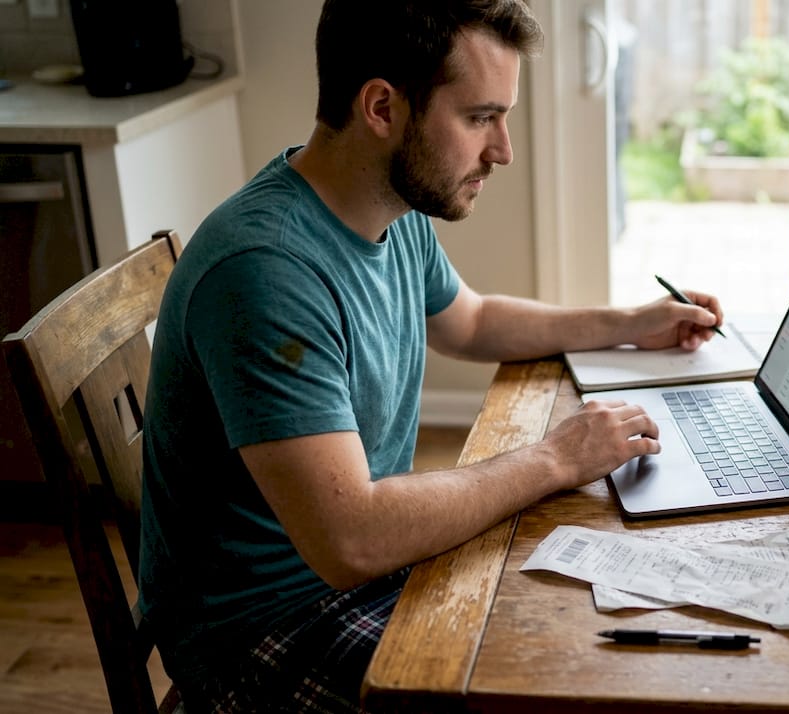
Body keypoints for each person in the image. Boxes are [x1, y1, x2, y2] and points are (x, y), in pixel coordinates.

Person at [137, 2, 723, 711]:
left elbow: (471, 322)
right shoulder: (265, 271)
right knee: (558, 683)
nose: (502, 150)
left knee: (584, 633)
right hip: (265, 630)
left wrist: (630, 324)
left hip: (358, 573)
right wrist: (556, 458)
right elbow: (351, 539)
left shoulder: (387, 206)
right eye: (480, 118)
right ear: (382, 108)